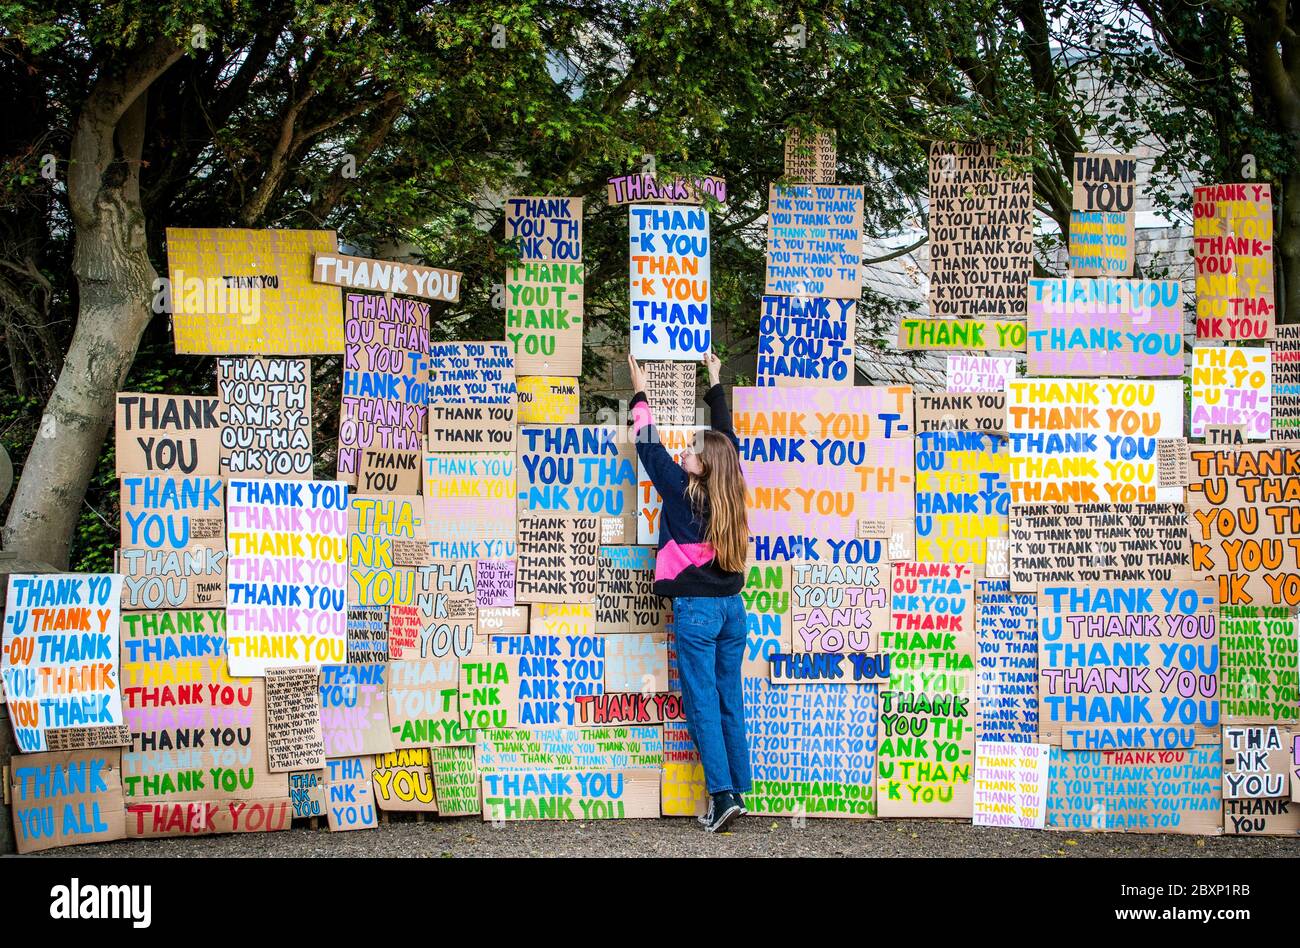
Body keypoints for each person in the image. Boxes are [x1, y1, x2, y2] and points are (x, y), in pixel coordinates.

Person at [627, 351, 751, 833]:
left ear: (700, 467)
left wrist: (640, 390)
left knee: (701, 700)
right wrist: (715, 383)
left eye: (692, 452)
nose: (684, 453)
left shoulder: (682, 488)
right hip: (732, 611)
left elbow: (648, 445)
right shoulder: (730, 485)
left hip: (697, 612)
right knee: (728, 697)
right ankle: (737, 787)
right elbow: (728, 443)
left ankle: (720, 797)